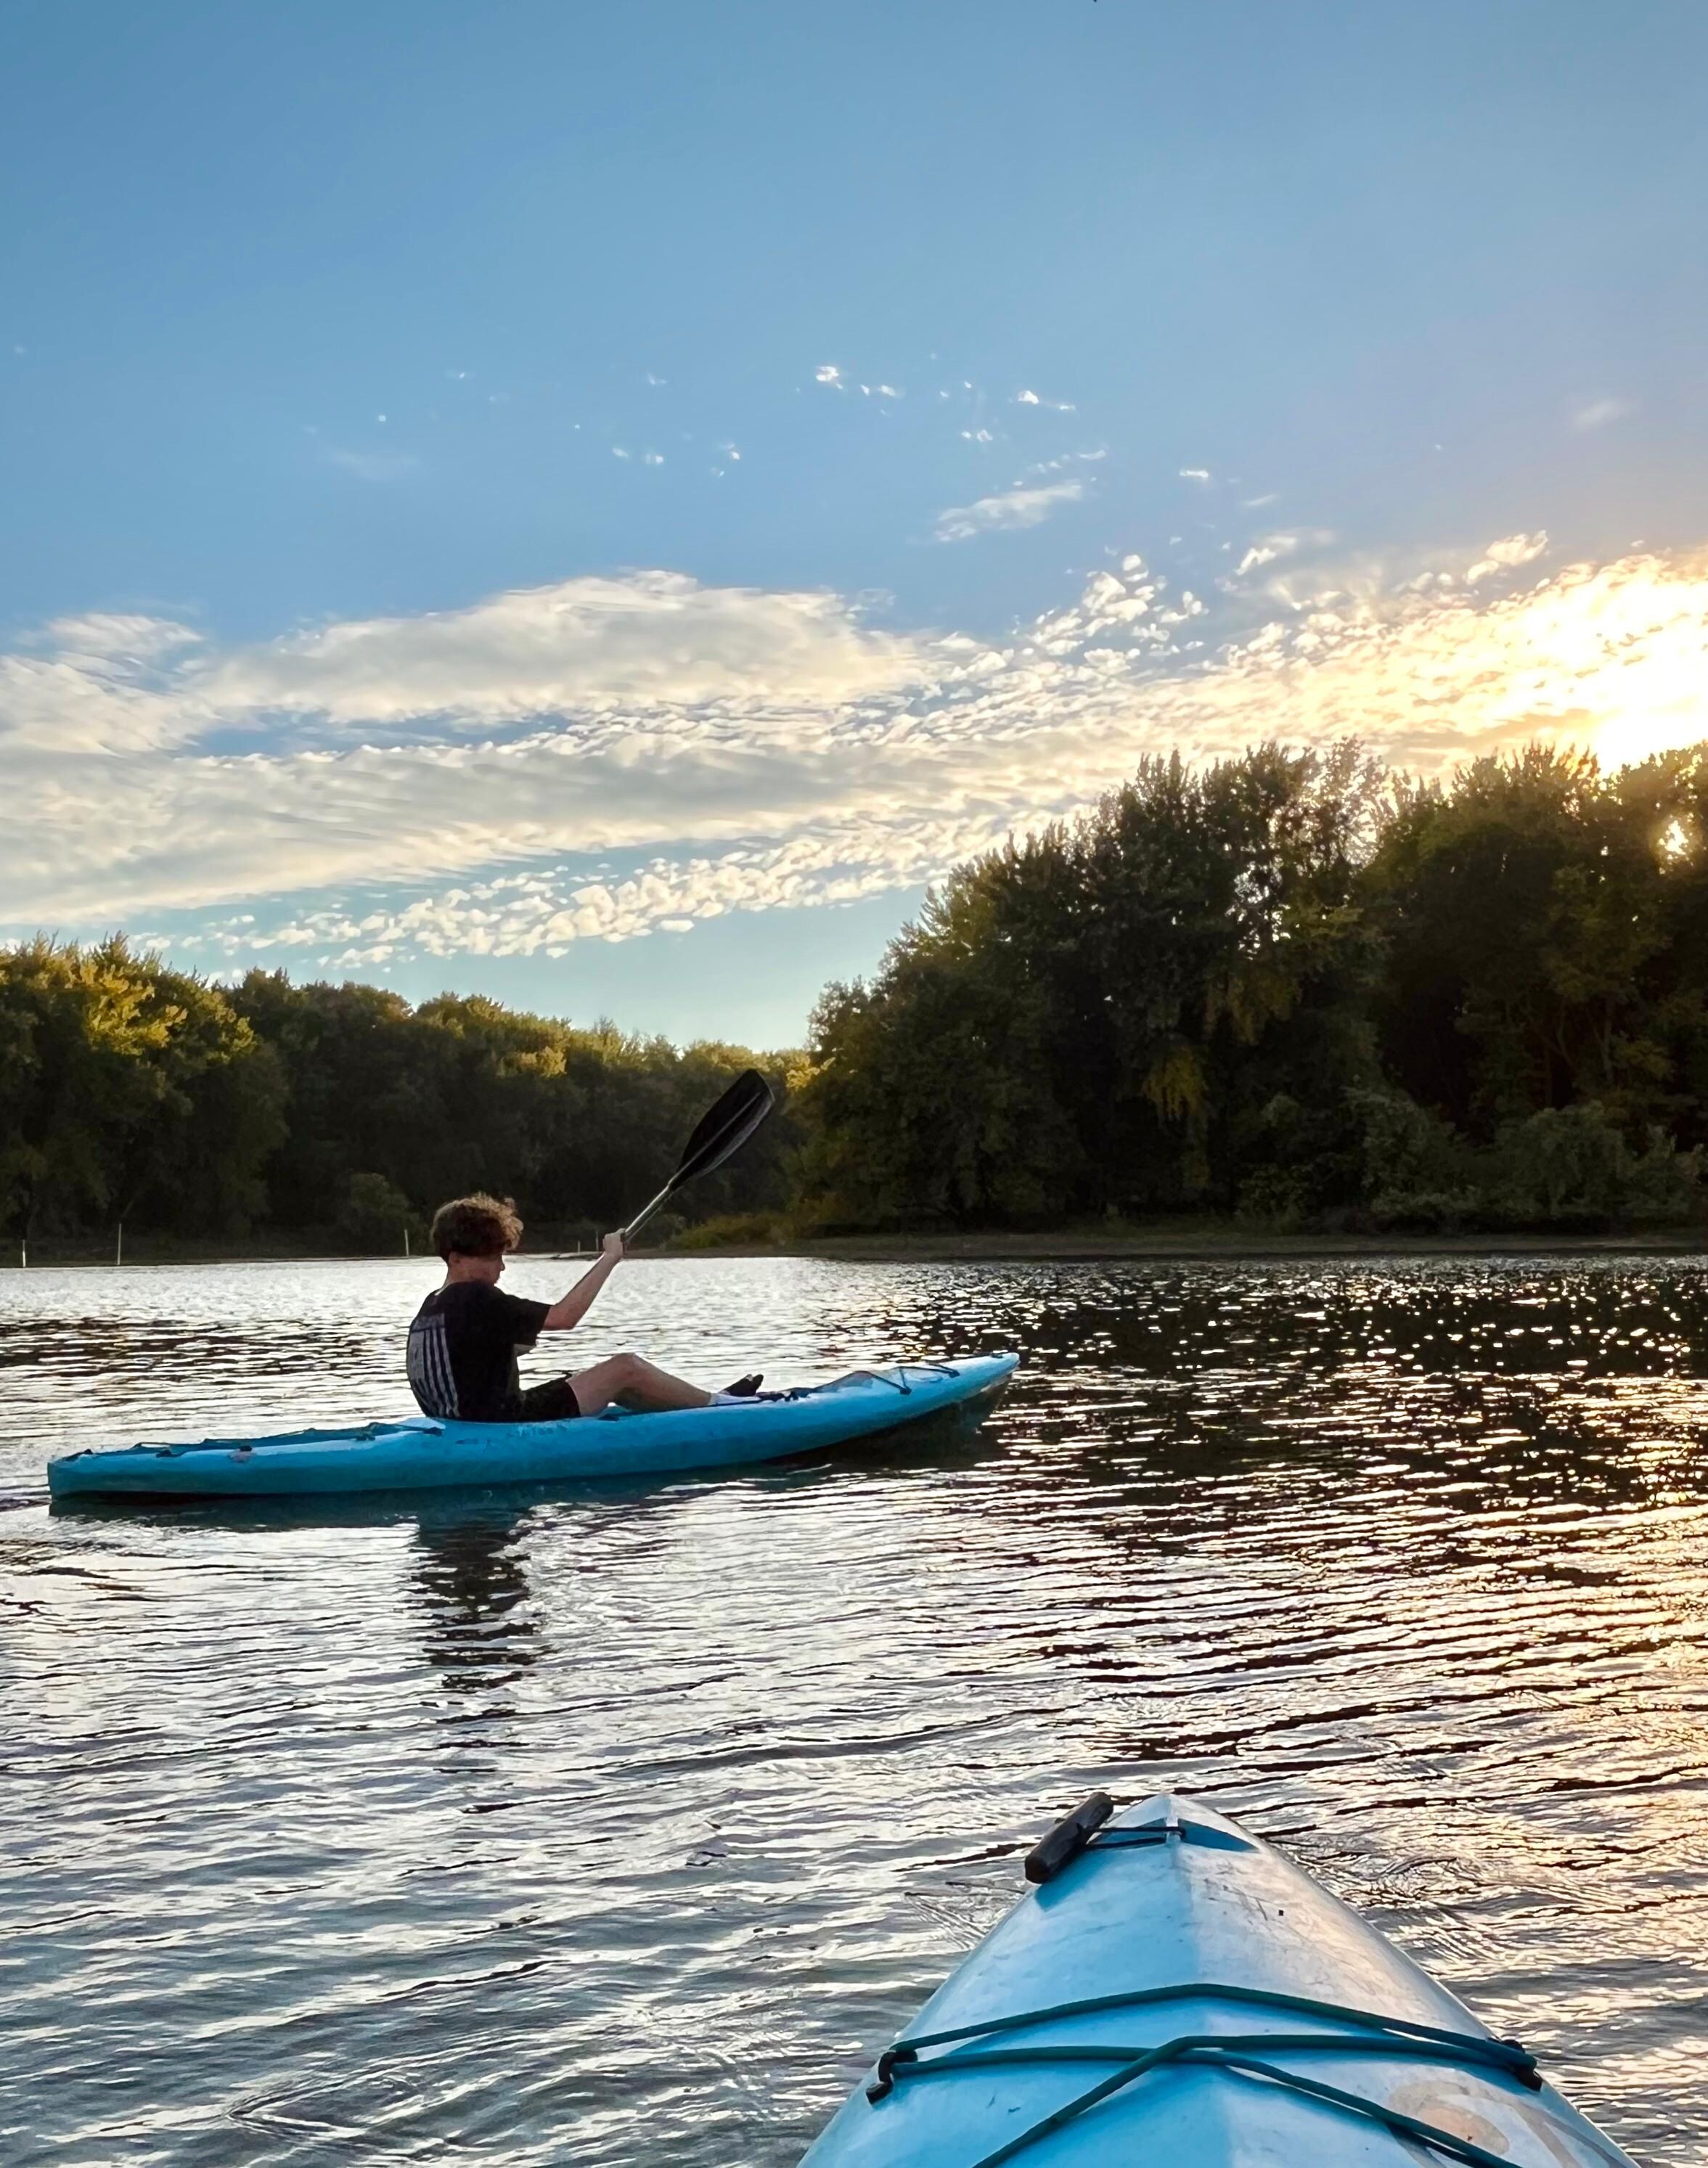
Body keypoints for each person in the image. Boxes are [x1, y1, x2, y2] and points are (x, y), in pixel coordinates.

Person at [406, 1193, 759, 1423]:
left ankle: (691, 1408)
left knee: (602, 1381)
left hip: (458, 1424)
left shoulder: (430, 1309)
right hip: (505, 1424)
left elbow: (460, 1366)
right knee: (625, 1368)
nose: (501, 1268)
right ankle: (722, 1408)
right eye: (492, 1258)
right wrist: (609, 1259)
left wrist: (509, 1349)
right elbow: (564, 1317)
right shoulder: (475, 1296)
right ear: (455, 1258)